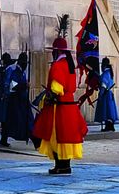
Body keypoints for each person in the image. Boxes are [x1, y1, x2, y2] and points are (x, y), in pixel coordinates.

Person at [32, 15, 88, 175]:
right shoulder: (70, 66)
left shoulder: (57, 66)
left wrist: (48, 96)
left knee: (56, 137)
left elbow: (57, 88)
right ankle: (65, 165)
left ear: (56, 51)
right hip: (70, 107)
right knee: (67, 137)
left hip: (59, 108)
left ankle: (60, 166)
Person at [0, 52, 34, 146]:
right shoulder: (14, 70)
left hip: (21, 98)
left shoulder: (21, 71)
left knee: (22, 119)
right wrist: (24, 85)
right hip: (15, 99)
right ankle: (35, 140)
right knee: (17, 120)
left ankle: (4, 138)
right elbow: (12, 86)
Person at [95, 57, 118, 132]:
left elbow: (103, 86)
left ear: (103, 65)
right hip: (110, 94)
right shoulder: (110, 73)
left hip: (106, 95)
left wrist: (100, 95)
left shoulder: (105, 74)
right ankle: (110, 125)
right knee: (110, 110)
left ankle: (108, 126)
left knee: (106, 110)